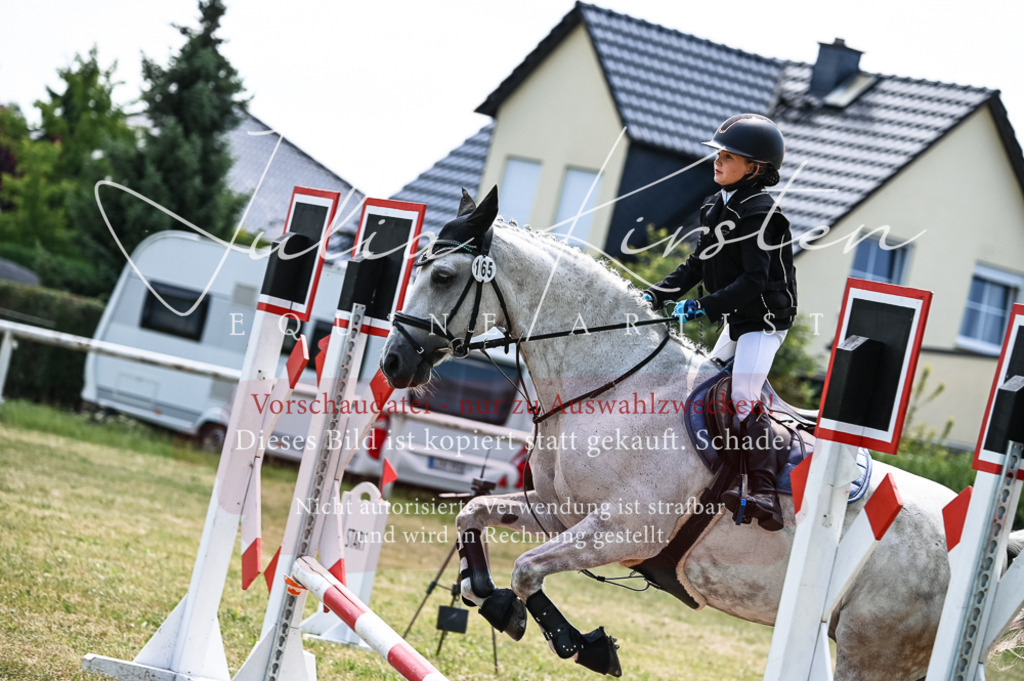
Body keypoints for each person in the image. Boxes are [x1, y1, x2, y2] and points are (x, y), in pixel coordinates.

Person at [643, 113, 797, 532]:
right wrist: (656, 293)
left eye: (729, 156)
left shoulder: (762, 213)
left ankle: (764, 490)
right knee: (702, 388)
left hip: (764, 321)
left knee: (744, 397)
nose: (719, 161)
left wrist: (704, 307)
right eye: (719, 154)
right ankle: (717, 470)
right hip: (737, 318)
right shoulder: (716, 206)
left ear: (755, 168)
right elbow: (697, 264)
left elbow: (754, 280)